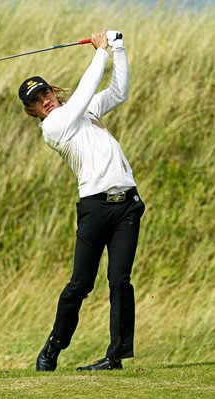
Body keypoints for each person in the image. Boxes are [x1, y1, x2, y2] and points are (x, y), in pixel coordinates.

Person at [18, 30, 145, 371]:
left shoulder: (82, 111)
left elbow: (119, 92)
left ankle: (116, 356)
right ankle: (53, 346)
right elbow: (85, 92)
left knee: (120, 279)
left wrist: (118, 47)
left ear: (51, 91)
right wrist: (100, 51)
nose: (44, 99)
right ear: (34, 112)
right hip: (95, 208)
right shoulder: (55, 126)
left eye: (45, 92)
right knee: (81, 283)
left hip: (127, 205)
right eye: (37, 100)